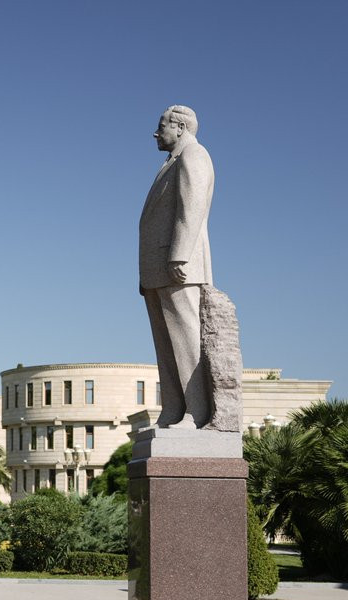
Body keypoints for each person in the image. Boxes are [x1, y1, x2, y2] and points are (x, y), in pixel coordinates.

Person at [138, 104, 214, 429]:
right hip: (157, 269)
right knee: (166, 344)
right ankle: (172, 409)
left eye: (162, 126)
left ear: (180, 127)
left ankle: (197, 412)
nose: (156, 133)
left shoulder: (193, 156)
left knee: (186, 340)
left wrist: (179, 255)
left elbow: (191, 207)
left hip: (178, 266)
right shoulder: (171, 162)